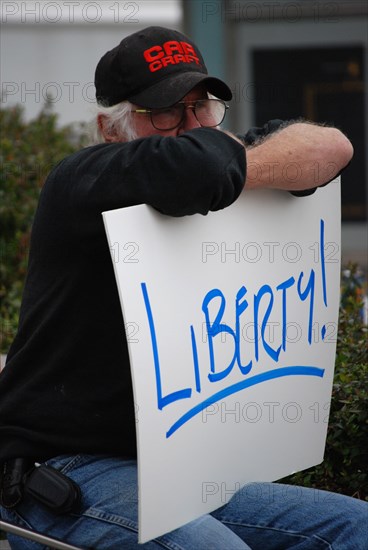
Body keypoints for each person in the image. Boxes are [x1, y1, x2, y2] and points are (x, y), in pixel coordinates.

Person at [0, 25, 366, 550]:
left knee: (354, 528)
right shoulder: (82, 177)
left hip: (179, 466)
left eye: (203, 106)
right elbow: (194, 166)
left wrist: (231, 173)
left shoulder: (211, 170)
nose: (192, 125)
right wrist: (239, 169)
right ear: (110, 127)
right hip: (62, 468)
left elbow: (332, 145)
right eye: (166, 111)